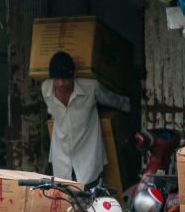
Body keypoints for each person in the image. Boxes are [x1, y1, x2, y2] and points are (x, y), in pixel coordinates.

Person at [42, 51, 130, 189]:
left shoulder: (91, 88)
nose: (60, 84)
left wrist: (134, 106)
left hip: (88, 157)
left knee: (89, 199)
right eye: (56, 79)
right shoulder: (46, 89)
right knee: (65, 200)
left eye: (65, 79)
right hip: (61, 158)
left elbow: (115, 101)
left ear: (74, 76)